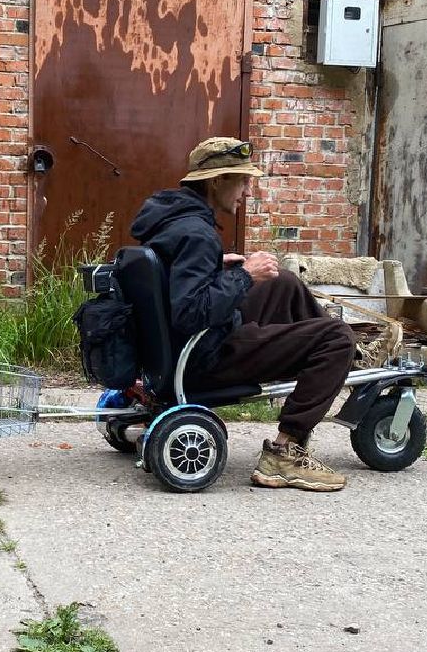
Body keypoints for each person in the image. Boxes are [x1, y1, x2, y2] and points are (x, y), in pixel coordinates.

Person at [129, 136, 356, 491]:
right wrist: (245, 275)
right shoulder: (198, 234)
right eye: (242, 180)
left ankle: (329, 364)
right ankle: (286, 451)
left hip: (174, 353)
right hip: (204, 358)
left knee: (283, 283)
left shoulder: (174, 221)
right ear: (217, 181)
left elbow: (172, 281)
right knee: (338, 337)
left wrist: (218, 267)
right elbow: (189, 314)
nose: (247, 190)